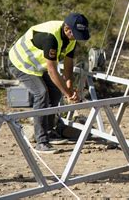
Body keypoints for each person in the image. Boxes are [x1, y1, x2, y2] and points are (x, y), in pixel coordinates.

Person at [8, 13, 90, 154]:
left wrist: (69, 85)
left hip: (38, 66)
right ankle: (41, 141)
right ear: (67, 29)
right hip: (20, 63)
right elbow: (52, 71)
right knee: (42, 93)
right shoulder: (50, 37)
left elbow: (69, 63)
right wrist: (69, 94)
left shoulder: (71, 37)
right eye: (75, 34)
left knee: (56, 92)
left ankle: (49, 131)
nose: (76, 37)